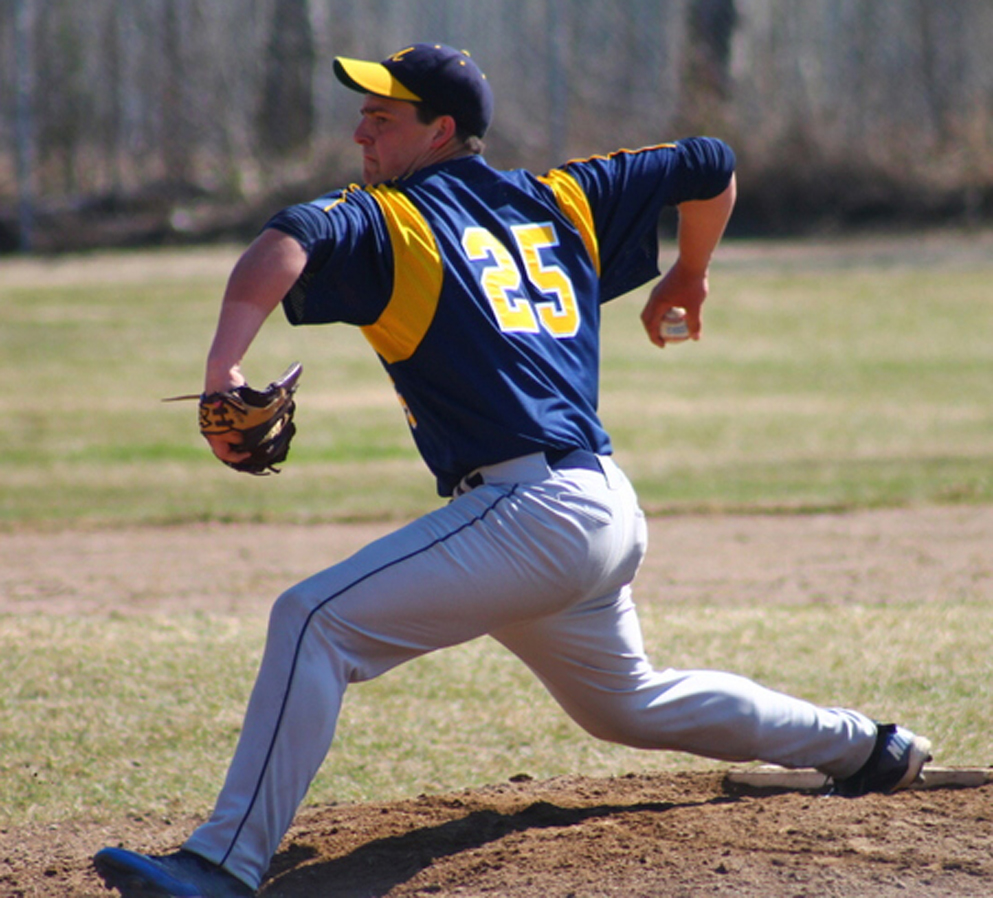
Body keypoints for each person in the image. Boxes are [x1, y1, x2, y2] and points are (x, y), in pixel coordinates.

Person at [94, 43, 931, 898]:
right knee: (627, 704)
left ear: (441, 130)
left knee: (313, 622)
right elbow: (710, 164)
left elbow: (285, 240)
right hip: (599, 507)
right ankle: (867, 747)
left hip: (531, 512)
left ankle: (220, 867)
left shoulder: (394, 218)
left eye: (382, 118)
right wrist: (688, 272)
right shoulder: (561, 197)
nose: (360, 133)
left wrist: (222, 371)